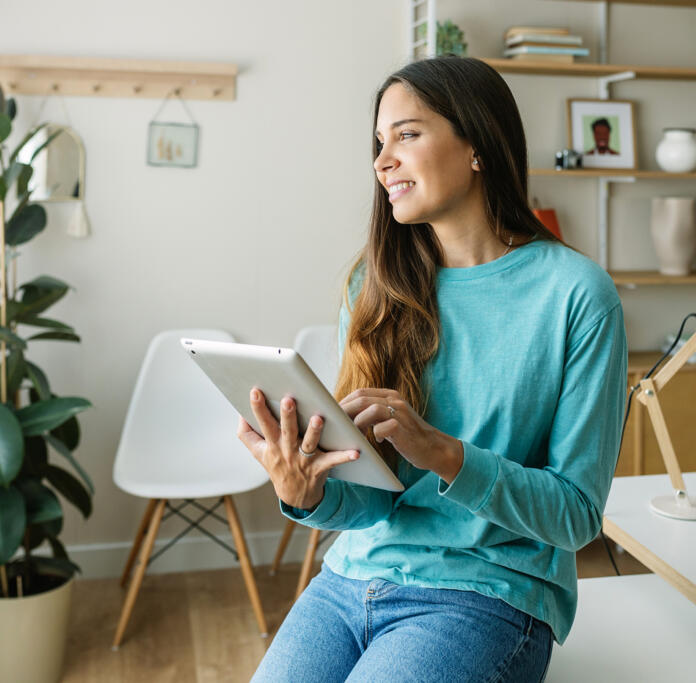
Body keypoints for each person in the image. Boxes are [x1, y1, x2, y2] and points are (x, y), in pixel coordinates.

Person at [237, 56, 627, 682]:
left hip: (489, 594)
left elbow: (578, 517)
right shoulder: (374, 286)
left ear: (478, 145)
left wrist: (442, 452)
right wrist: (303, 491)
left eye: (407, 134)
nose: (381, 160)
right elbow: (368, 503)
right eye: (379, 142)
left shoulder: (576, 294)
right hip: (350, 577)